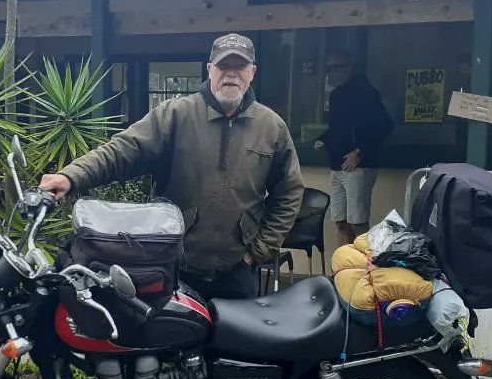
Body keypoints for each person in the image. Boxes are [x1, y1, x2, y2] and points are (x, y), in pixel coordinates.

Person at [39, 33, 304, 300]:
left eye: (240, 66)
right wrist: (70, 176)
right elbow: (122, 151)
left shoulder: (271, 127)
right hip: (173, 269)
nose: (231, 74)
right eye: (224, 65)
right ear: (210, 69)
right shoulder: (175, 115)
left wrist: (259, 250)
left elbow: (289, 192)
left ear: (252, 72)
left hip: (238, 272)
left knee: (234, 330)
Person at [316, 52, 393, 245]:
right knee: (341, 223)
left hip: (359, 167)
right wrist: (323, 141)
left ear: (348, 68)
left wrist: (360, 152)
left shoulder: (366, 93)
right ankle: (342, 263)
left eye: (334, 68)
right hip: (337, 166)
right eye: (327, 69)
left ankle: (361, 263)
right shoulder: (336, 95)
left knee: (358, 223)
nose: (329, 73)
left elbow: (385, 125)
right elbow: (338, 129)